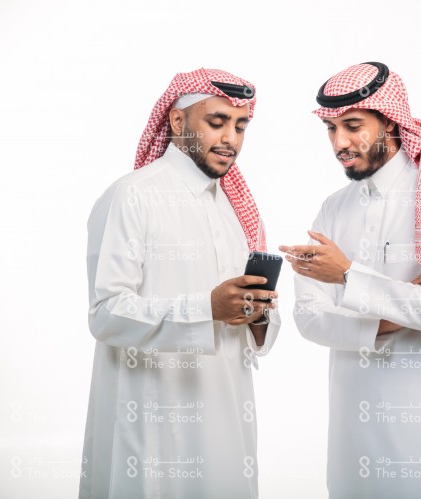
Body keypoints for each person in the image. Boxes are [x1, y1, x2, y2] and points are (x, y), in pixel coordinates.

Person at [280, 62, 421, 498]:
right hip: (354, 435)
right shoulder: (334, 208)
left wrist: (347, 277)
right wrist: (398, 314)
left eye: (353, 126)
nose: (340, 143)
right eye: (330, 129)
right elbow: (308, 318)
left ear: (390, 121)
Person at [79, 68, 280, 499]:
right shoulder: (132, 196)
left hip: (227, 416)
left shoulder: (234, 210)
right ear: (176, 122)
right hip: (153, 421)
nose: (231, 138)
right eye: (216, 121)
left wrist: (259, 316)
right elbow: (106, 313)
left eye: (240, 125)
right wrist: (205, 308)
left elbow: (244, 324)